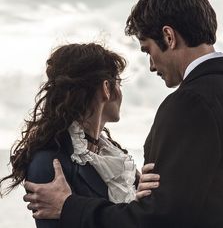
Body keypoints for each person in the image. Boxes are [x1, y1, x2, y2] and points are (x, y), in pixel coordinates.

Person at [23, 0, 223, 227]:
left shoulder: (190, 103)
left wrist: (70, 207)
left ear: (169, 36)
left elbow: (162, 219)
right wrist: (154, 194)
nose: (151, 66)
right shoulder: (52, 161)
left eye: (147, 50)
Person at [0, 43, 160, 228]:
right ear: (107, 88)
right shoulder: (50, 162)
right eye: (119, 83)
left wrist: (141, 200)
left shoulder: (113, 156)